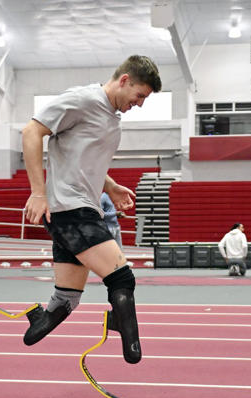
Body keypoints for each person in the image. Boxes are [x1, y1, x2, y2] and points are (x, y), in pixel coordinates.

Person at [21, 55, 162, 365]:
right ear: (125, 80)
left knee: (67, 298)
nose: (139, 104)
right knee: (122, 280)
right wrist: (38, 192)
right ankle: (126, 340)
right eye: (140, 96)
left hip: (82, 209)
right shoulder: (82, 99)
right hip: (70, 211)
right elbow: (31, 132)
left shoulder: (112, 117)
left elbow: (81, 158)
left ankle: (37, 324)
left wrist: (109, 185)